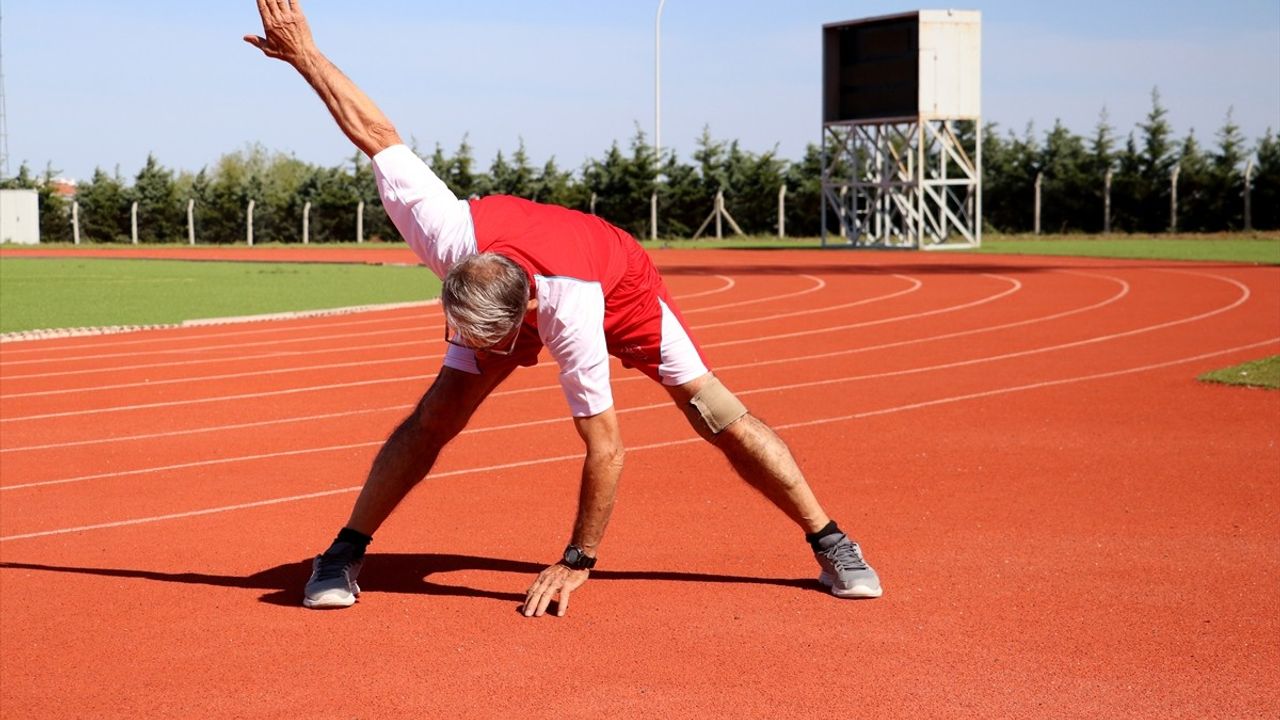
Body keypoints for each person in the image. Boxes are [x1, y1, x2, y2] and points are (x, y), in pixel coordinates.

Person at [245, 0, 881, 616]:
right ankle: (343, 551)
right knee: (436, 414)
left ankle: (831, 541)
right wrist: (306, 56)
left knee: (714, 412)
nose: (463, 342)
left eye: (478, 338)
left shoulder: (571, 313)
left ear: (521, 321)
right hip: (511, 287)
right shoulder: (448, 234)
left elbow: (606, 448)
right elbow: (376, 134)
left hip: (616, 285)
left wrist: (580, 556)